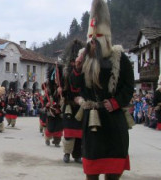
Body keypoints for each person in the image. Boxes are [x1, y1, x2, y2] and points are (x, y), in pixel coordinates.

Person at [71, 0, 134, 179]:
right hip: (92, 121)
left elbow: (128, 87)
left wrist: (115, 102)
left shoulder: (120, 59)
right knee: (92, 169)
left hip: (114, 120)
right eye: (90, 41)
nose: (92, 44)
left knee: (113, 171)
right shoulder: (84, 60)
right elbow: (75, 86)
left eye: (96, 40)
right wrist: (76, 68)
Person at [61, 40, 84, 163]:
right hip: (69, 105)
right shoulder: (65, 73)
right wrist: (61, 91)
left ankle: (77, 154)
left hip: (81, 106)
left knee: (80, 133)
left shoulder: (85, 72)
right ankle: (66, 153)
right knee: (69, 132)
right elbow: (63, 91)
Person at [44, 65, 63, 147]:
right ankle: (47, 138)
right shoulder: (49, 89)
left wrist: (62, 93)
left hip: (60, 110)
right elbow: (45, 100)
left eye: (57, 77)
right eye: (55, 77)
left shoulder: (63, 88)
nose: (56, 79)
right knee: (51, 127)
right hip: (51, 111)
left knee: (59, 127)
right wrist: (47, 104)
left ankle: (57, 141)